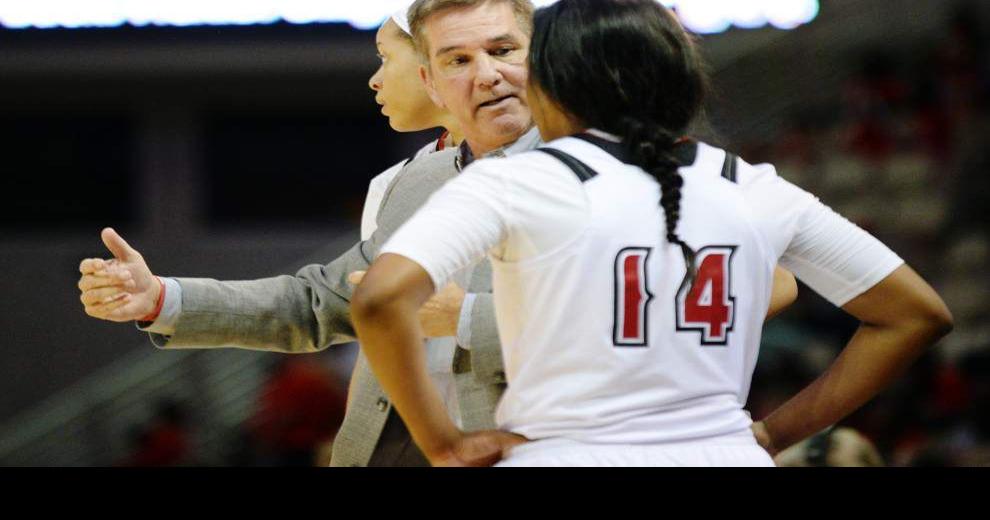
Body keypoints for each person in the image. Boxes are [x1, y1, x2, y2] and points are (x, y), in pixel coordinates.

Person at [77, 0, 796, 466]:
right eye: (457, 60)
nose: (485, 75)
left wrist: (476, 320)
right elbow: (318, 303)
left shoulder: (628, 163)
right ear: (435, 75)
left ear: (543, 59)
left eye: (503, 51)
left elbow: (760, 289)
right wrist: (161, 298)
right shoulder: (421, 179)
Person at [351, 0, 953, 466]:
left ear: (549, 83)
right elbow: (916, 314)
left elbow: (379, 299)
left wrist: (444, 444)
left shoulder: (518, 181)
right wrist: (773, 431)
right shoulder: (752, 184)